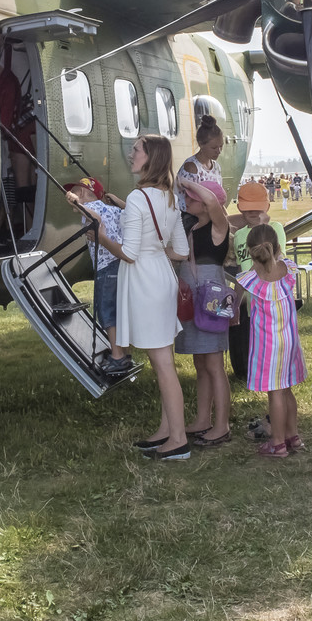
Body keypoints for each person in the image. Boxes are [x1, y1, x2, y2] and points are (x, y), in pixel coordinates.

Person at [97, 134, 191, 461]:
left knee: (162, 364)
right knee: (163, 361)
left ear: (151, 158)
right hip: (162, 277)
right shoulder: (169, 197)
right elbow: (181, 250)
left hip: (144, 282)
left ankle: (178, 439)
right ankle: (168, 429)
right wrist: (155, 249)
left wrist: (101, 235)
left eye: (136, 149)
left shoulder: (139, 197)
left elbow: (129, 253)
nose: (131, 153)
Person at [235, 224, 305, 458]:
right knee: (286, 390)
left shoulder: (251, 280)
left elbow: (240, 289)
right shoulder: (289, 270)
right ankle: (292, 436)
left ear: (251, 252)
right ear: (277, 247)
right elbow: (279, 261)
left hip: (268, 347)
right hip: (289, 342)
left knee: (275, 394)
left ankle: (277, 443)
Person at [177, 180, 233, 448]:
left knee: (213, 364)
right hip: (195, 299)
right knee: (201, 362)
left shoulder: (218, 227)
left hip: (211, 302)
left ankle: (222, 425)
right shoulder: (193, 227)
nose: (187, 200)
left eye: (191, 197)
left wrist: (186, 181)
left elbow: (212, 201)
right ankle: (203, 419)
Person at [66, 177, 130, 375]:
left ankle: (117, 357)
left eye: (74, 191)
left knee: (106, 311)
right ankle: (123, 352)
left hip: (106, 267)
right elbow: (127, 214)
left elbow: (96, 219)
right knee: (117, 310)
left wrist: (77, 204)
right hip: (119, 265)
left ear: (82, 193)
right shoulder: (113, 209)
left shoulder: (92, 208)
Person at [229, 181, 272, 383]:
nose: (253, 212)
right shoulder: (239, 235)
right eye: (248, 208)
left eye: (258, 207)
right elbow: (240, 270)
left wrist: (264, 227)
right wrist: (236, 302)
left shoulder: (274, 229)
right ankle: (248, 371)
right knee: (248, 338)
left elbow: (274, 261)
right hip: (248, 300)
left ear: (267, 207)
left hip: (268, 298)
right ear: (240, 209)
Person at [177, 115, 226, 215]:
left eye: (221, 146)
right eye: (214, 148)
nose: (219, 151)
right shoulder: (191, 168)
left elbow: (218, 200)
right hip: (191, 217)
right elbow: (190, 203)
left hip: (210, 214)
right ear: (201, 144)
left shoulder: (216, 167)